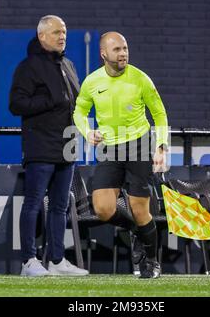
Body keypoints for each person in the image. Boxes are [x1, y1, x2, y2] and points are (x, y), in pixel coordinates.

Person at [73, 32, 169, 278]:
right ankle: (136, 231)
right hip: (109, 148)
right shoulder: (92, 82)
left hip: (139, 144)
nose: (123, 53)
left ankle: (152, 261)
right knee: (103, 208)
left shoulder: (140, 79)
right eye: (117, 49)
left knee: (139, 209)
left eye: (125, 48)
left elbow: (159, 114)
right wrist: (86, 132)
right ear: (104, 54)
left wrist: (160, 147)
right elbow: (79, 112)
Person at [9, 15, 88, 277]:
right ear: (42, 36)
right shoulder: (28, 67)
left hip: (67, 144)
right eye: (56, 32)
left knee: (60, 206)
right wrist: (49, 102)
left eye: (64, 32)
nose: (62, 36)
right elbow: (16, 104)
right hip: (41, 145)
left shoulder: (68, 64)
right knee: (33, 203)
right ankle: (29, 261)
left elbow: (73, 103)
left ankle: (56, 259)